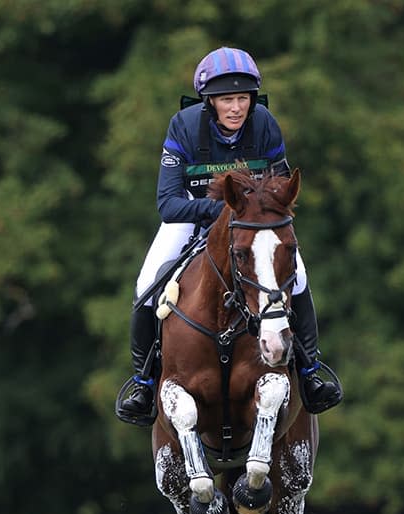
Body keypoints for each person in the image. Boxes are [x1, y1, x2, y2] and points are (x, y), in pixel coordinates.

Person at [117, 47, 342, 425]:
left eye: (242, 98)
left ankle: (310, 371)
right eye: (226, 100)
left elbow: (280, 188)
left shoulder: (265, 123)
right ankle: (142, 381)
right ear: (210, 103)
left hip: (253, 223)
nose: (236, 108)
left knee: (298, 277)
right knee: (147, 282)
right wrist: (223, 214)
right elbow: (168, 205)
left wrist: (251, 214)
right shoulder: (184, 126)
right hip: (194, 214)